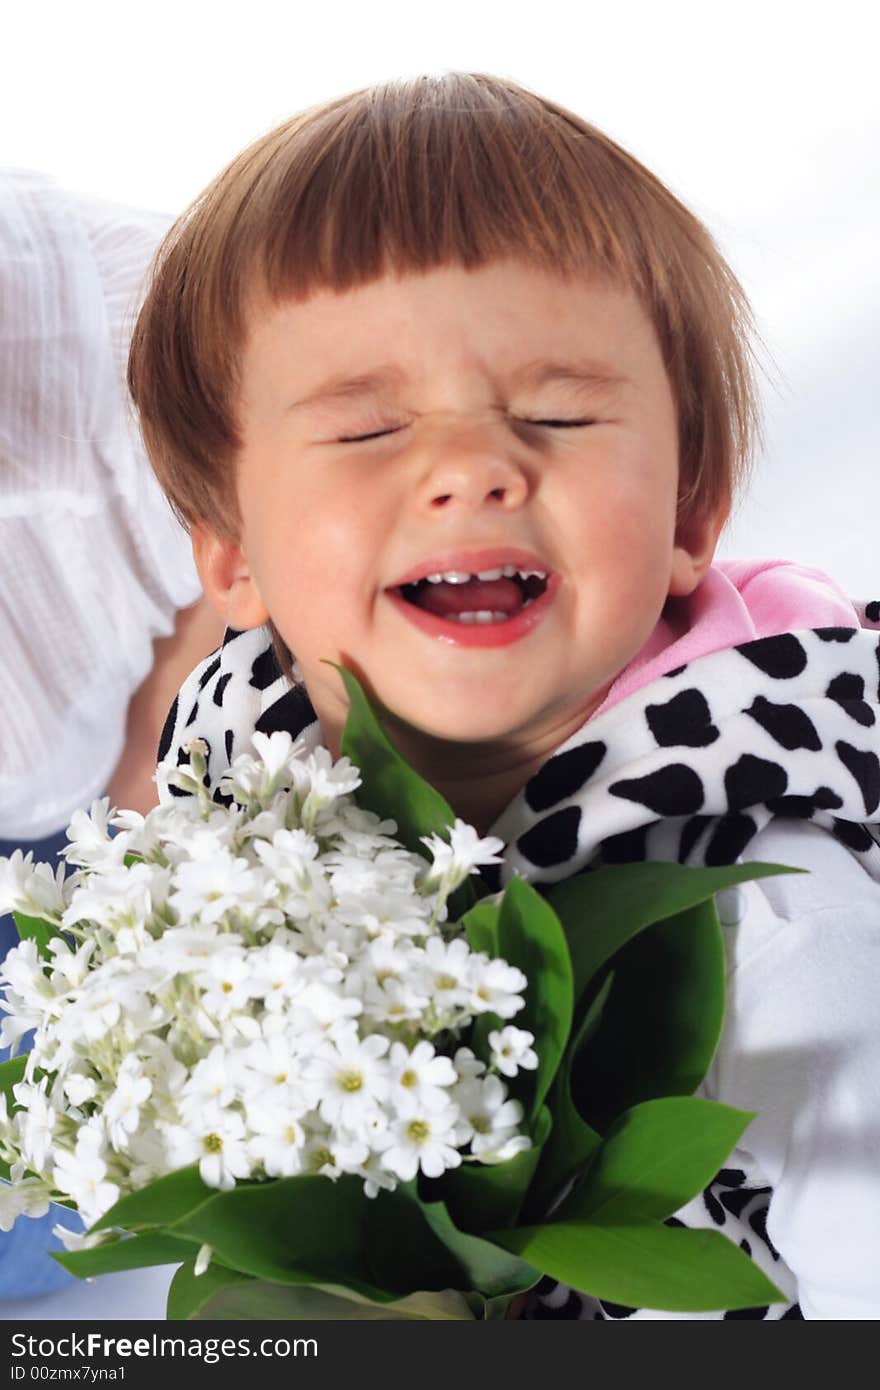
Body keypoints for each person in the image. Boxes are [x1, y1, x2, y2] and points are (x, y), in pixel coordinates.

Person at [128, 73, 880, 1319]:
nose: (475, 466)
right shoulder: (231, 791)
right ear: (232, 554)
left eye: (557, 411)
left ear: (691, 513)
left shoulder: (787, 927)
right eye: (366, 430)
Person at [0, 169, 225, 1298]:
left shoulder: (144, 309)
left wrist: (154, 748)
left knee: (113, 1198)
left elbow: (273, 509)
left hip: (89, 815)